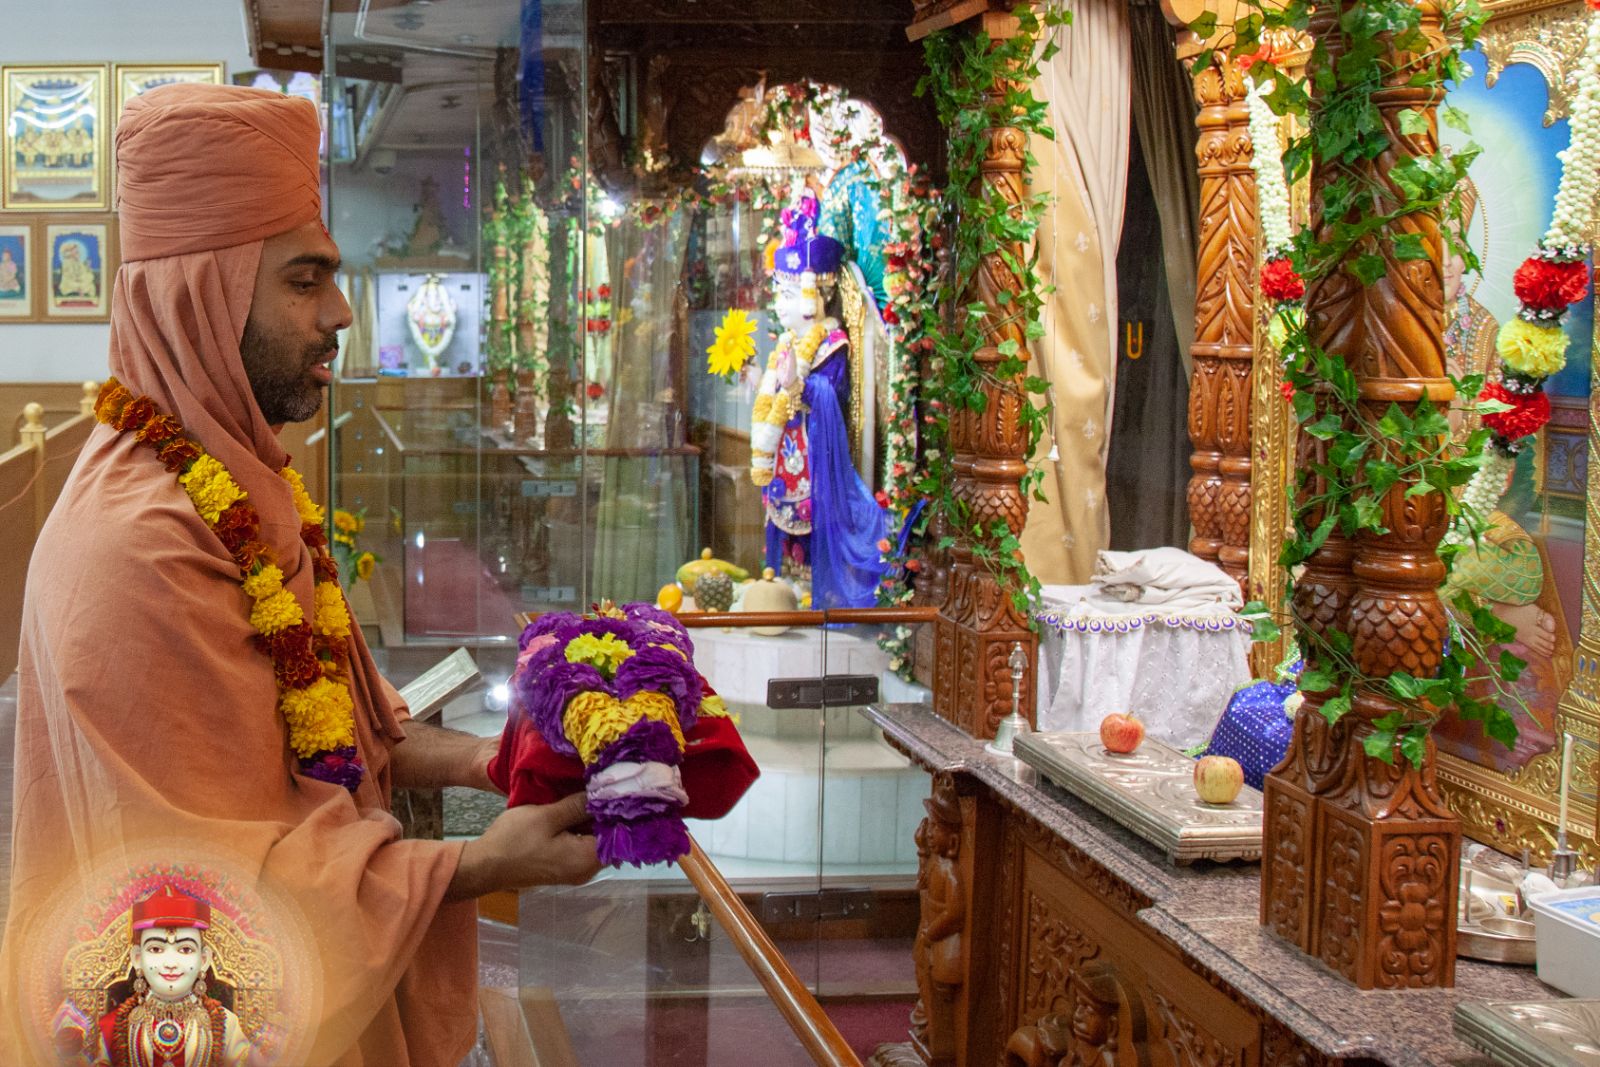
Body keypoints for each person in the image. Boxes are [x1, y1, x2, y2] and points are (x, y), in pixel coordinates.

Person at [1, 83, 600, 1066]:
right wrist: (480, 860)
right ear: (202, 293)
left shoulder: (242, 487)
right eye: (303, 279)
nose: (340, 313)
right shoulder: (139, 543)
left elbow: (337, 743)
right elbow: (205, 890)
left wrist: (500, 760)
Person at [748, 191, 886, 608]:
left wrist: (801, 387)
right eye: (779, 295)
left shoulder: (832, 344)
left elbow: (832, 393)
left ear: (814, 300)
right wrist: (762, 379)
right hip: (786, 451)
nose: (780, 305)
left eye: (789, 296)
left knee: (811, 520)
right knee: (782, 516)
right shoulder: (788, 344)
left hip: (815, 456)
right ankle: (783, 586)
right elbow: (775, 396)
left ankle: (816, 590)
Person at [53, 885, 264, 1067]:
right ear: (137, 958)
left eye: (185, 950)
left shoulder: (227, 1024)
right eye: (155, 949)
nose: (170, 963)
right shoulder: (113, 1027)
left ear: (203, 960)